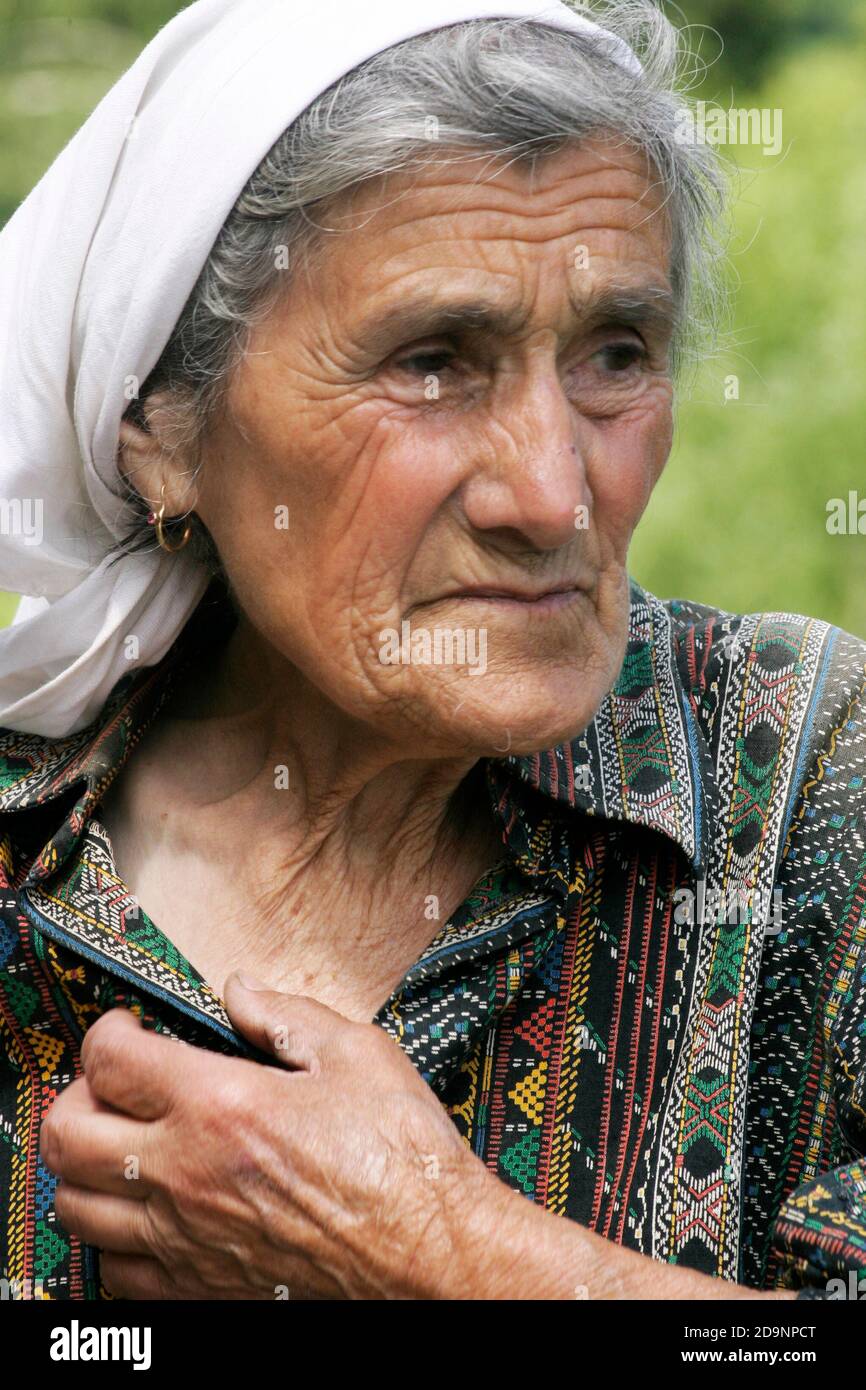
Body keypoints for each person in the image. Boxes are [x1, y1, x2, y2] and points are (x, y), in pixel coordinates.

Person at [1, 0, 863, 1301]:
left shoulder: (807, 788)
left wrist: (438, 1249)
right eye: (431, 363)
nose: (553, 494)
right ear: (163, 429)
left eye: (614, 353)